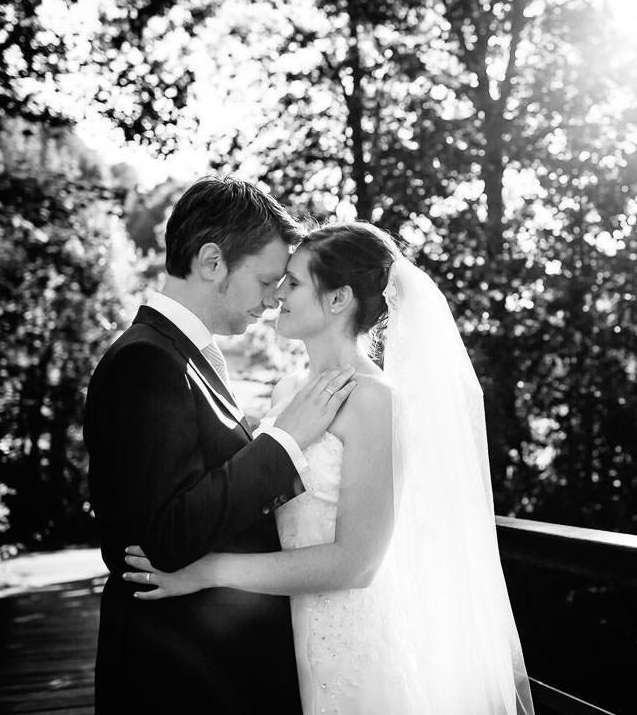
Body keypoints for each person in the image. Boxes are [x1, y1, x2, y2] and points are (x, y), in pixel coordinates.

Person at [123, 222, 535, 715]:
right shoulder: (287, 392)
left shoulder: (375, 400)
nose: (278, 294)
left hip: (350, 646)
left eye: (294, 282)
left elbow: (357, 564)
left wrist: (208, 571)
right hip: (278, 632)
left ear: (338, 299)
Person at [84, 176, 358, 714]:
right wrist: (284, 442)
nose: (275, 298)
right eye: (266, 280)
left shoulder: (183, 357)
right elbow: (163, 538)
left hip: (202, 667)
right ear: (212, 262)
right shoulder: (147, 361)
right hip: (171, 676)